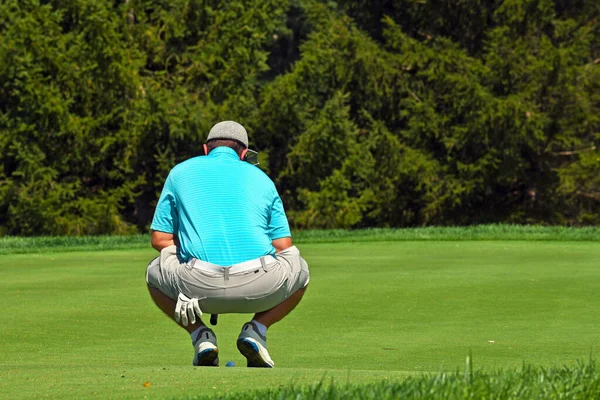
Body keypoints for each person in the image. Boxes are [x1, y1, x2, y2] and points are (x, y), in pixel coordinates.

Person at [145, 120, 310, 368]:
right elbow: (282, 245)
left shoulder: (179, 172)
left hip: (194, 287)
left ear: (205, 149)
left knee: (153, 273)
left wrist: (189, 258)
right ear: (243, 153)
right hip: (262, 287)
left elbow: (160, 239)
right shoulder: (262, 178)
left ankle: (200, 336)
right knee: (300, 268)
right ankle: (257, 330)